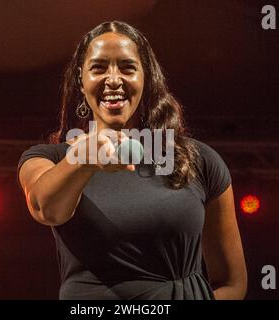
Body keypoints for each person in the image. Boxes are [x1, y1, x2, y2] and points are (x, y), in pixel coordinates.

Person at [17, 21, 247, 300]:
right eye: (99, 67)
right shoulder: (49, 158)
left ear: (146, 77)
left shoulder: (199, 160)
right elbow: (47, 209)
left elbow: (232, 283)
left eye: (127, 67)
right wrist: (86, 159)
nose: (113, 79)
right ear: (81, 79)